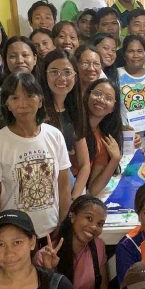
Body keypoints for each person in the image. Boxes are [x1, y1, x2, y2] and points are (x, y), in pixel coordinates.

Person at [0, 72, 71, 238]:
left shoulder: (55, 135)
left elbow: (64, 186)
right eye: (15, 98)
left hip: (51, 231)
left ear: (40, 101)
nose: (23, 104)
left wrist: (60, 223)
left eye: (30, 96)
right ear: (7, 104)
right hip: (16, 235)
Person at [39, 49, 91, 198]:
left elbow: (84, 164)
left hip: (69, 190)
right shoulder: (37, 110)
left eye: (67, 72)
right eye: (54, 72)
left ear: (75, 76)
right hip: (42, 192)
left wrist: (74, 197)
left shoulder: (75, 110)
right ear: (44, 75)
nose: (61, 78)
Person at [55, 195, 110, 289]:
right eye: (89, 218)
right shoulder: (48, 254)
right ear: (73, 217)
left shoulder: (99, 246)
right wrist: (49, 268)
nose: (94, 227)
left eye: (100, 224)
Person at [83, 78, 124, 195]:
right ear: (88, 95)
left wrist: (115, 159)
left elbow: (93, 189)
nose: (101, 100)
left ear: (113, 107)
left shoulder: (103, 140)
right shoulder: (71, 126)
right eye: (97, 94)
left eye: (108, 98)